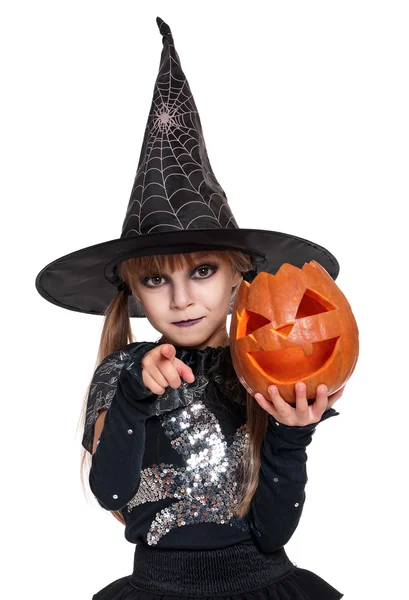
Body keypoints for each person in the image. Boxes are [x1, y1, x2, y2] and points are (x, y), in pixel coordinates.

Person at [35, 16, 345, 599]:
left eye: (202, 272)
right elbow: (112, 496)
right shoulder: (125, 372)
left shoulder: (266, 373)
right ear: (132, 293)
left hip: (263, 584)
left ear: (237, 281)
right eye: (157, 279)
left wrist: (290, 435)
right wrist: (133, 395)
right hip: (157, 588)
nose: (181, 298)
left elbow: (274, 528)